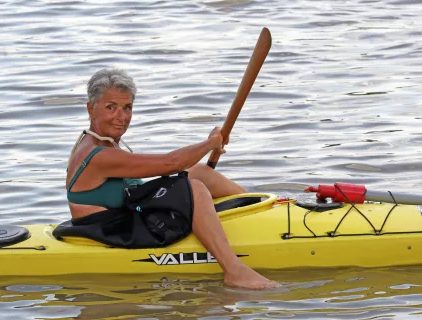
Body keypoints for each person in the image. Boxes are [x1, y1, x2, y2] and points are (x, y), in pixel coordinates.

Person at [66, 68, 279, 290]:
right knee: (193, 187)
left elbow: (176, 166)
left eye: (127, 108)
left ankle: (263, 216)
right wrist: (209, 144)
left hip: (127, 210)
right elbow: (171, 163)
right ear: (91, 109)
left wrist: (208, 146)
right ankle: (234, 271)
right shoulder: (98, 155)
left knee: (199, 172)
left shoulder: (102, 141)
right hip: (111, 227)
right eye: (111, 107)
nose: (121, 117)